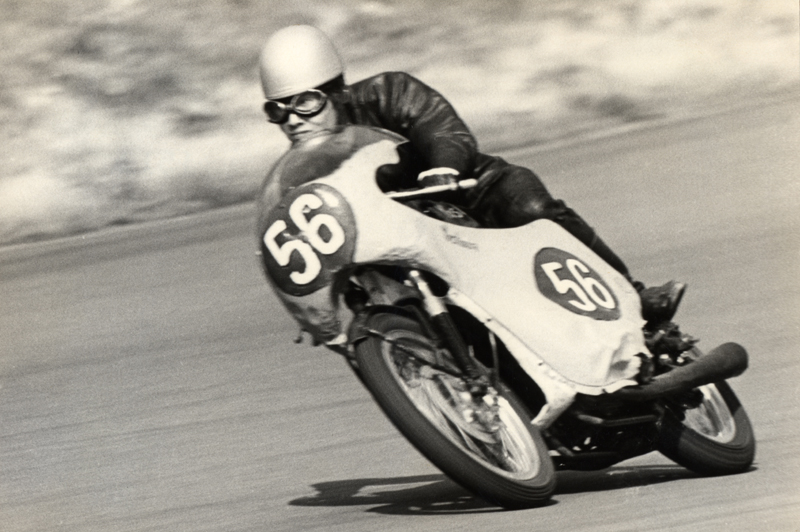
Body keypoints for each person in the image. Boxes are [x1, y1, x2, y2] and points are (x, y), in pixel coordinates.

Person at [258, 25, 685, 324]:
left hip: (468, 195)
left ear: (337, 92)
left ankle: (635, 298)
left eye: (306, 103)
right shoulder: (300, 176)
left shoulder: (387, 92)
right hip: (408, 244)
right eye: (278, 110)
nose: (293, 119)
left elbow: (438, 125)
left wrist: (443, 168)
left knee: (533, 208)